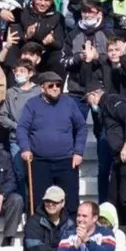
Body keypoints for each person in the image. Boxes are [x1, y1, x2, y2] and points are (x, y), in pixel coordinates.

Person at [84, 80, 126, 234]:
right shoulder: (103, 109)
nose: (88, 104)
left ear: (93, 95)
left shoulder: (113, 101)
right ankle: (122, 231)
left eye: (87, 99)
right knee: (113, 198)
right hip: (120, 156)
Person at [18, 71, 87, 216]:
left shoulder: (69, 103)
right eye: (51, 85)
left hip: (66, 161)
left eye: (58, 85)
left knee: (71, 201)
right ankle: (39, 236)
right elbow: (22, 128)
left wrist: (78, 152)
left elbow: (81, 127)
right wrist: (25, 148)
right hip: (40, 162)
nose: (56, 88)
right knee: (39, 202)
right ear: (42, 88)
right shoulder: (32, 104)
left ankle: (70, 234)